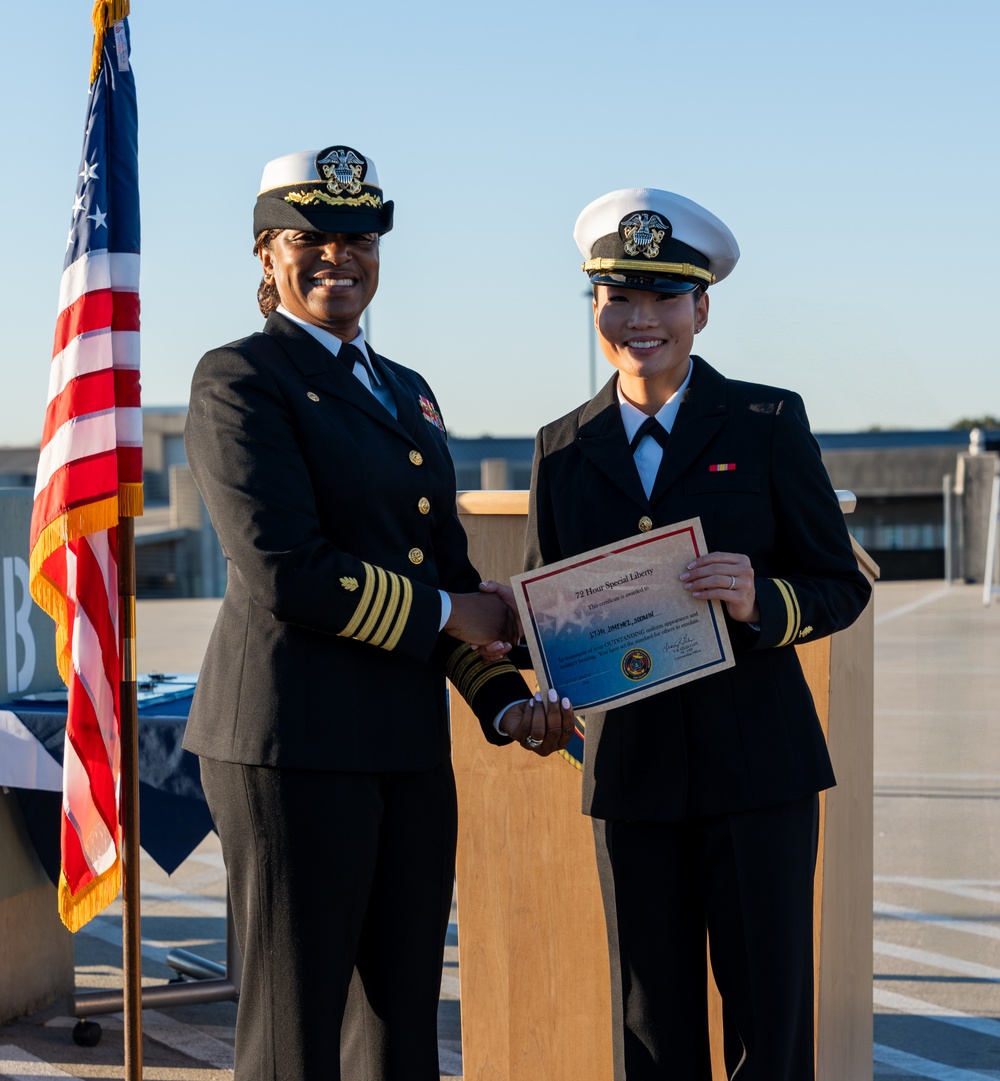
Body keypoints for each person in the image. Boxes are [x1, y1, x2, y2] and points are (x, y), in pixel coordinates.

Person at [182, 144, 572, 1081]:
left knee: (399, 1029)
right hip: (290, 747)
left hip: (402, 747)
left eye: (358, 237)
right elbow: (287, 569)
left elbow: (445, 574)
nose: (338, 257)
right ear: (267, 255)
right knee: (295, 1031)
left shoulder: (407, 388)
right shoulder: (240, 378)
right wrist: (455, 609)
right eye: (311, 238)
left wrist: (503, 702)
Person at [522, 188, 873, 1080]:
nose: (641, 320)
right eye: (619, 298)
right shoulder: (561, 447)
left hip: (758, 772)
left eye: (664, 298)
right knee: (650, 1031)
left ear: (702, 309)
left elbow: (838, 583)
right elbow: (545, 618)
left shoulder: (766, 422)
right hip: (634, 779)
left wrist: (763, 600)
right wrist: (531, 670)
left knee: (769, 1025)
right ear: (596, 307)